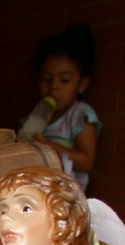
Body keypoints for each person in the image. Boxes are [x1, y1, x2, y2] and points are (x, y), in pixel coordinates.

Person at [27, 24, 101, 191]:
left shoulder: (79, 115)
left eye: (65, 80)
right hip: (38, 188)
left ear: (82, 84)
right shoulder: (37, 116)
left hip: (67, 194)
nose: (54, 87)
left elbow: (87, 161)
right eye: (46, 79)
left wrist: (49, 147)